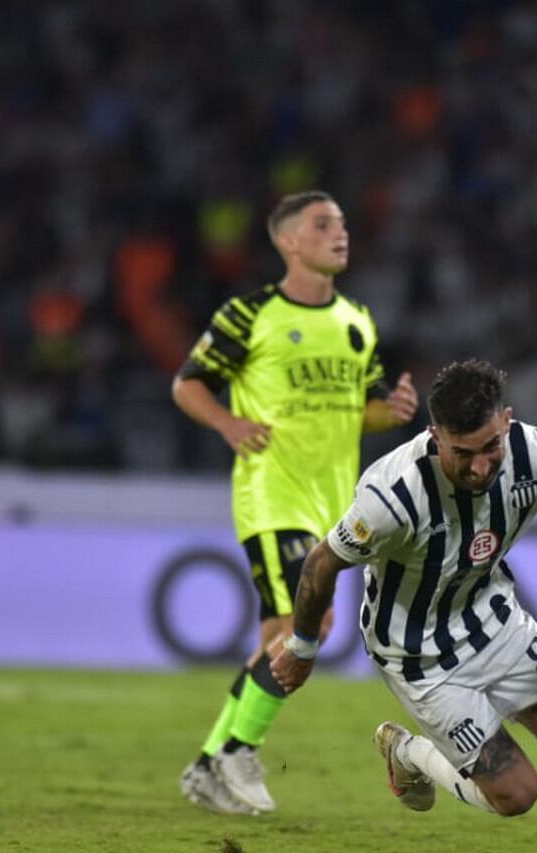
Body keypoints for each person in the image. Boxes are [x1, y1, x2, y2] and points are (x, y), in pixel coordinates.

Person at [271, 360, 537, 853]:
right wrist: (303, 648)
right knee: (517, 794)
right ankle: (406, 753)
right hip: (416, 654)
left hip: (493, 620)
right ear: (433, 434)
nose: (479, 467)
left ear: (507, 423)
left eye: (490, 447)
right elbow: (321, 565)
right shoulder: (390, 497)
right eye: (461, 453)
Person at [174, 191, 419, 815]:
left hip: (335, 502)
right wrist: (228, 425)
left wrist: (389, 412)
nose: (340, 233)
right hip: (272, 493)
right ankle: (239, 749)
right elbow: (187, 383)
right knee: (311, 626)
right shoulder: (249, 314)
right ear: (288, 241)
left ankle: (208, 764)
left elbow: (359, 410)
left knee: (272, 639)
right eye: (323, 224)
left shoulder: (357, 321)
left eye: (342, 222)